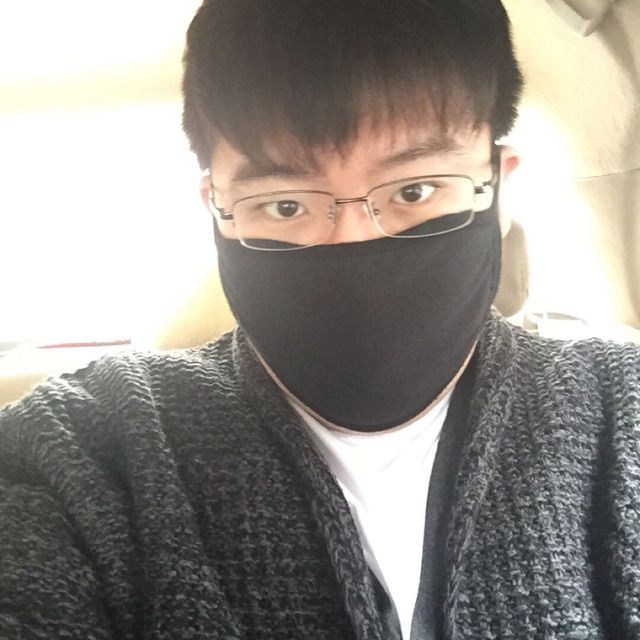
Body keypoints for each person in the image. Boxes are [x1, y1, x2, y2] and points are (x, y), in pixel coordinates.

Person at [1, 0, 639, 638]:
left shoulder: (622, 408)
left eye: (414, 190)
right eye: (284, 205)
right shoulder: (83, 448)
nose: (351, 244)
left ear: (498, 186)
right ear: (216, 207)